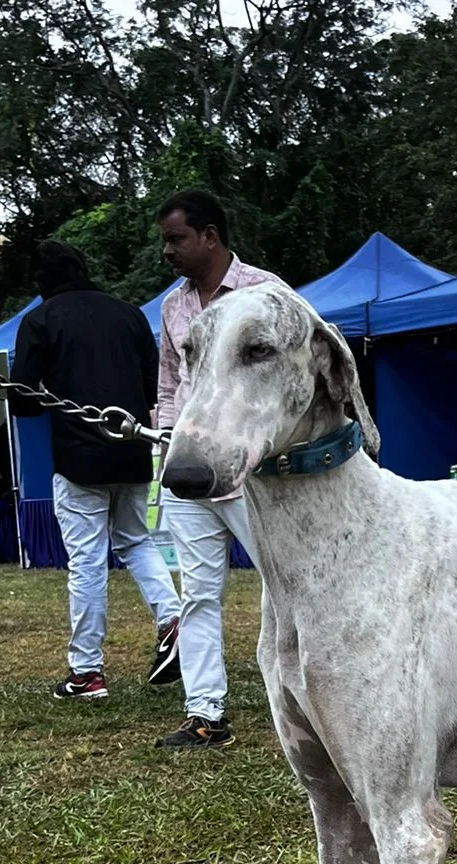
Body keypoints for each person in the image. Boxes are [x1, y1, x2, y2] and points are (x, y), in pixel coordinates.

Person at [11, 241, 181, 702]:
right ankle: (173, 620)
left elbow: (23, 401)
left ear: (41, 281)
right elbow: (153, 386)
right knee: (137, 542)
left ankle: (87, 672)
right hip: (131, 450)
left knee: (86, 561)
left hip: (78, 458)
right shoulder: (128, 314)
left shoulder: (40, 320)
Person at [154, 189, 283, 751]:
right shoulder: (172, 308)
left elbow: (294, 381)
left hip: (249, 473)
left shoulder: (268, 293)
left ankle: (310, 704)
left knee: (287, 585)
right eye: (165, 240)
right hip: (186, 472)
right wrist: (165, 437)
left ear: (209, 235)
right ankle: (205, 714)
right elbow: (168, 384)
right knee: (198, 593)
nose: (167, 251)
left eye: (176, 239)